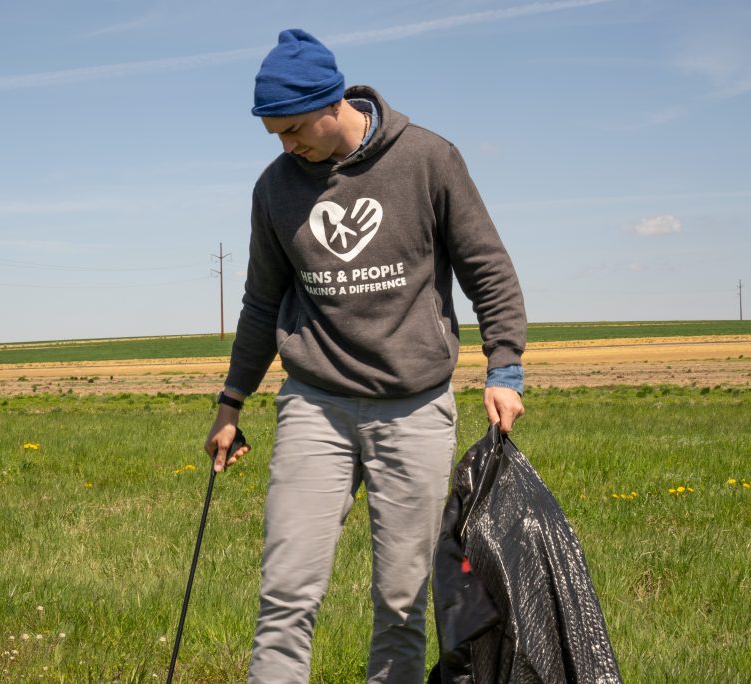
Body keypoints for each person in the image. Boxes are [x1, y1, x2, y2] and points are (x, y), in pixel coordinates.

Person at [204, 28, 527, 684]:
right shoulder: (275, 190)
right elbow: (262, 305)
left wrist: (505, 367)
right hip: (314, 406)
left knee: (402, 603)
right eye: (275, 135)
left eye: (293, 130)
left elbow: (486, 268)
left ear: (332, 104)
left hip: (413, 406)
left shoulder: (429, 160)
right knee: (285, 594)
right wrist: (230, 402)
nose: (286, 145)